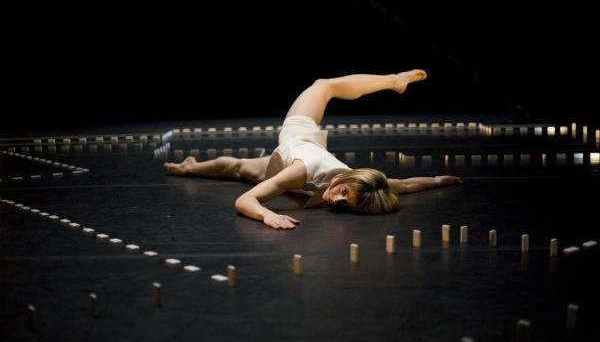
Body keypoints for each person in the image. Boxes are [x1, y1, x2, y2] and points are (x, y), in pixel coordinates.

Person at [164, 70, 461, 229]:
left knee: (237, 168)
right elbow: (245, 201)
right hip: (300, 135)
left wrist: (437, 181)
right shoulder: (303, 171)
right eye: (343, 193)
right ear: (346, 179)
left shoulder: (362, 187)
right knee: (324, 85)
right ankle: (394, 82)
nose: (337, 200)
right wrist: (265, 215)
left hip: (290, 164)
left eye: (345, 204)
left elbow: (407, 185)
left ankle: (188, 167)